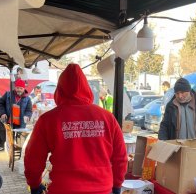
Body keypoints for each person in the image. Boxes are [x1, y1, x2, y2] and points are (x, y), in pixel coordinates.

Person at [24, 64, 127, 194]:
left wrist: (34, 184)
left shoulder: (48, 120)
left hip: (63, 189)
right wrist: (117, 185)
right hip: (102, 188)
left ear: (59, 90)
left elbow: (33, 158)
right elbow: (120, 157)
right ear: (87, 88)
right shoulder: (107, 118)